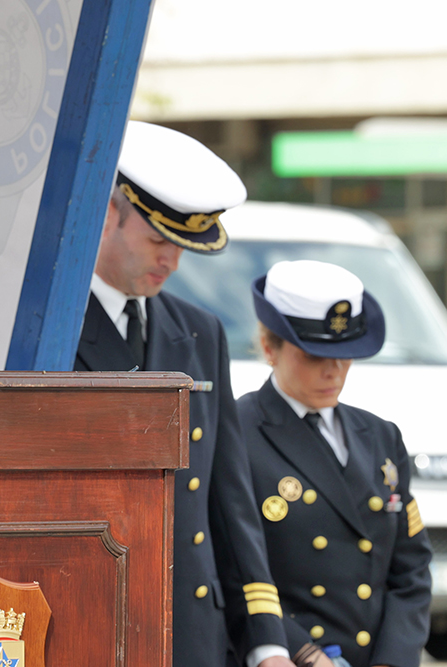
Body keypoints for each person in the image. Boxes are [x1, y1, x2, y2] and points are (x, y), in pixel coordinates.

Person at [76, 121, 293, 667]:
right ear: (107, 214)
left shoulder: (200, 332)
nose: (171, 262)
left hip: (192, 631)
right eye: (156, 241)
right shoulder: (53, 330)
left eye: (180, 247)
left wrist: (266, 640)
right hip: (91, 619)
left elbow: (229, 499)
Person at [235, 260, 432, 667]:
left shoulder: (380, 435)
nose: (333, 371)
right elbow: (234, 565)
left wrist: (392, 659)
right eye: (313, 355)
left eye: (345, 356)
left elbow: (410, 567)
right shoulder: (237, 433)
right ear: (269, 347)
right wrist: (303, 653)